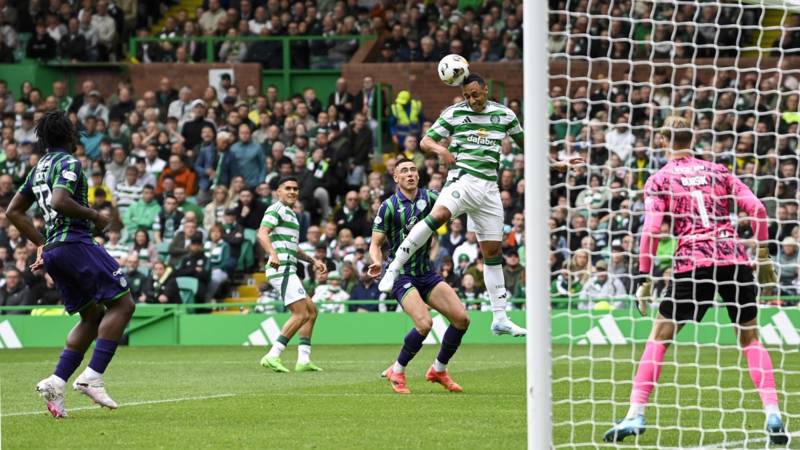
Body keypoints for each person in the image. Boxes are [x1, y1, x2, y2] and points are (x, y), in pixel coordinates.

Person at [603, 116, 787, 444]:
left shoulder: (659, 178)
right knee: (750, 339)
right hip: (734, 259)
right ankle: (773, 412)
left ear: (662, 141)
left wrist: (644, 274)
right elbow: (757, 209)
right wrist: (762, 257)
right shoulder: (719, 171)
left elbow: (651, 230)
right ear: (694, 137)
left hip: (693, 262)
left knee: (659, 337)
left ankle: (635, 413)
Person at [5, 111, 135, 418]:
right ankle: (92, 377)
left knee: (91, 315)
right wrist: (96, 216)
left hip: (55, 251)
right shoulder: (68, 162)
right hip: (75, 243)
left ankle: (56, 381)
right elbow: (59, 201)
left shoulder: (38, 168)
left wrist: (41, 243)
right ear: (70, 137)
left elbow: (14, 211)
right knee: (123, 304)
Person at [378, 74, 525, 337]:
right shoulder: (454, 113)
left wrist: (554, 163)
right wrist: (442, 151)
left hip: (490, 189)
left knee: (493, 253)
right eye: (467, 96)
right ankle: (394, 267)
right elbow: (425, 141)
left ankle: (500, 318)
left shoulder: (505, 116)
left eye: (475, 94)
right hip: (462, 181)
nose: (471, 100)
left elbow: (527, 145)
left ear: (485, 89)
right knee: (439, 216)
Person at [369, 157, 470, 394]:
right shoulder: (389, 206)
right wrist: (376, 262)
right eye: (404, 171)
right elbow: (376, 243)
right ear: (396, 177)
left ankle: (438, 369)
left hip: (426, 272)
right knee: (424, 324)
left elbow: (453, 210)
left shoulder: (432, 198)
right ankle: (398, 371)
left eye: (413, 169)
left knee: (462, 319)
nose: (410, 174)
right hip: (401, 274)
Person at [258, 176, 328, 373]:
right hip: (281, 269)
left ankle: (303, 360)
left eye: (295, 189)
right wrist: (272, 253)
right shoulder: (276, 209)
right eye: (287, 188)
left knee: (312, 311)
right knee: (301, 313)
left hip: (289, 268)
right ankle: (272, 355)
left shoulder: (291, 214)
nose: (292, 192)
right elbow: (262, 233)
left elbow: (293, 248)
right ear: (278, 192)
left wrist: (314, 261)